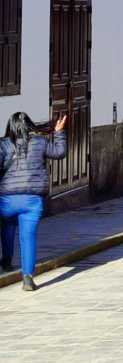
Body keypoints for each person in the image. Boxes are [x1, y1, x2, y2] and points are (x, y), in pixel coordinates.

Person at [0, 112, 67, 290]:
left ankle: (6, 260)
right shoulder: (40, 142)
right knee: (27, 236)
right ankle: (27, 278)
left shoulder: (4, 144)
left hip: (7, 200)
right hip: (32, 201)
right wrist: (59, 132)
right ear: (29, 126)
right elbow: (60, 152)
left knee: (7, 224)